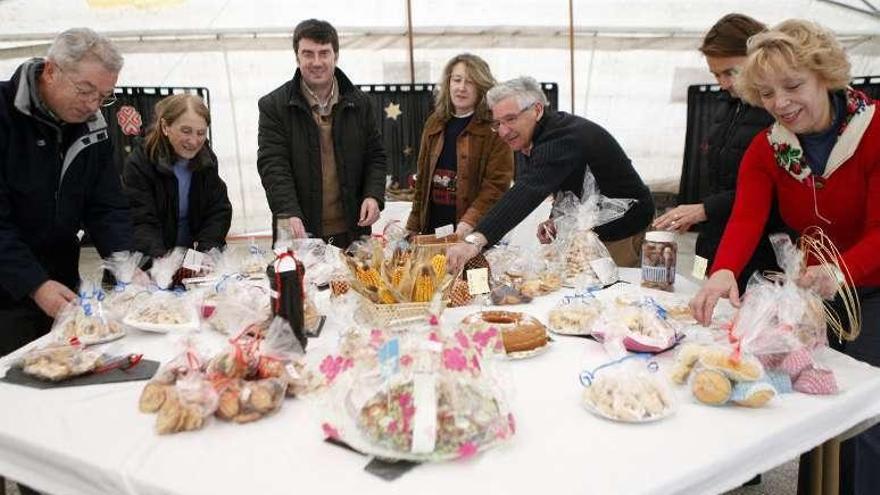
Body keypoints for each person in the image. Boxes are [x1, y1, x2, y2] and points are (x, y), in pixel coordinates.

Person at [690, 20, 880, 495]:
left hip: (871, 285)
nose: (781, 104)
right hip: (817, 289)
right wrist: (724, 272)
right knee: (815, 400)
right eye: (768, 93)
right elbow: (745, 217)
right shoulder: (769, 147)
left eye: (793, 86)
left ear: (826, 75)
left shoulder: (874, 131)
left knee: (865, 416)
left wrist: (842, 271)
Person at [0, 28, 132, 356]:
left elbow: (106, 206)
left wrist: (126, 265)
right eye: (85, 90)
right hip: (6, 288)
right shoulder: (4, 115)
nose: (92, 104)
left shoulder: (94, 126)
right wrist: (34, 284)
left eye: (104, 96)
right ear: (51, 70)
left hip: (61, 279)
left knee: (66, 368)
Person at [446, 76, 654, 273]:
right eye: (498, 123)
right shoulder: (536, 135)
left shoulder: (562, 138)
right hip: (594, 228)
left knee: (607, 295)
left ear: (536, 110)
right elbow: (563, 181)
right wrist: (558, 218)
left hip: (622, 230)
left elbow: (527, 189)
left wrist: (476, 240)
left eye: (510, 119)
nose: (503, 131)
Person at [654, 13, 787, 292]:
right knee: (702, 297)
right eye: (716, 74)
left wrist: (705, 209)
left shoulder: (780, 112)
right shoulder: (726, 105)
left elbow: (776, 191)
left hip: (761, 251)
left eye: (730, 72)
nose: (723, 83)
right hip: (713, 241)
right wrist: (694, 213)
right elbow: (719, 178)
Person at [257, 18, 387, 249]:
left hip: (353, 230)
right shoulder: (273, 106)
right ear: (297, 57)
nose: (316, 62)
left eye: (324, 53)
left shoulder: (361, 103)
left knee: (356, 285)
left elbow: (375, 156)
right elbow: (273, 165)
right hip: (299, 230)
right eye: (308, 53)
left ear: (335, 56)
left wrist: (373, 195)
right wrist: (288, 211)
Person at [405, 53, 513, 237]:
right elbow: (422, 181)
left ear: (482, 87)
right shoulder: (434, 122)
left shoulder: (494, 128)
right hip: (432, 232)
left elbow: (496, 186)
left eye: (470, 82)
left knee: (475, 268)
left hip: (474, 235)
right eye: (457, 80)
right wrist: (413, 226)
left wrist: (469, 223)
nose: (461, 88)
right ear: (448, 83)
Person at [123, 94, 232, 259]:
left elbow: (218, 211)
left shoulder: (207, 161)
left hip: (187, 261)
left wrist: (206, 253)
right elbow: (141, 221)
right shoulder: (140, 163)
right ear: (165, 126)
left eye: (201, 133)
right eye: (186, 131)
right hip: (148, 263)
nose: (194, 141)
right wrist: (164, 263)